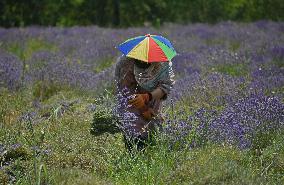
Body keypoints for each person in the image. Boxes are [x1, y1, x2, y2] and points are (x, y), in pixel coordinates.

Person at [114, 55, 175, 153]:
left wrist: (147, 97)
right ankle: (134, 155)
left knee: (152, 123)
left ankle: (151, 152)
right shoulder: (126, 63)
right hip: (132, 98)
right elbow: (124, 89)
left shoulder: (163, 64)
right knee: (132, 124)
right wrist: (143, 108)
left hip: (153, 96)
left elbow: (165, 86)